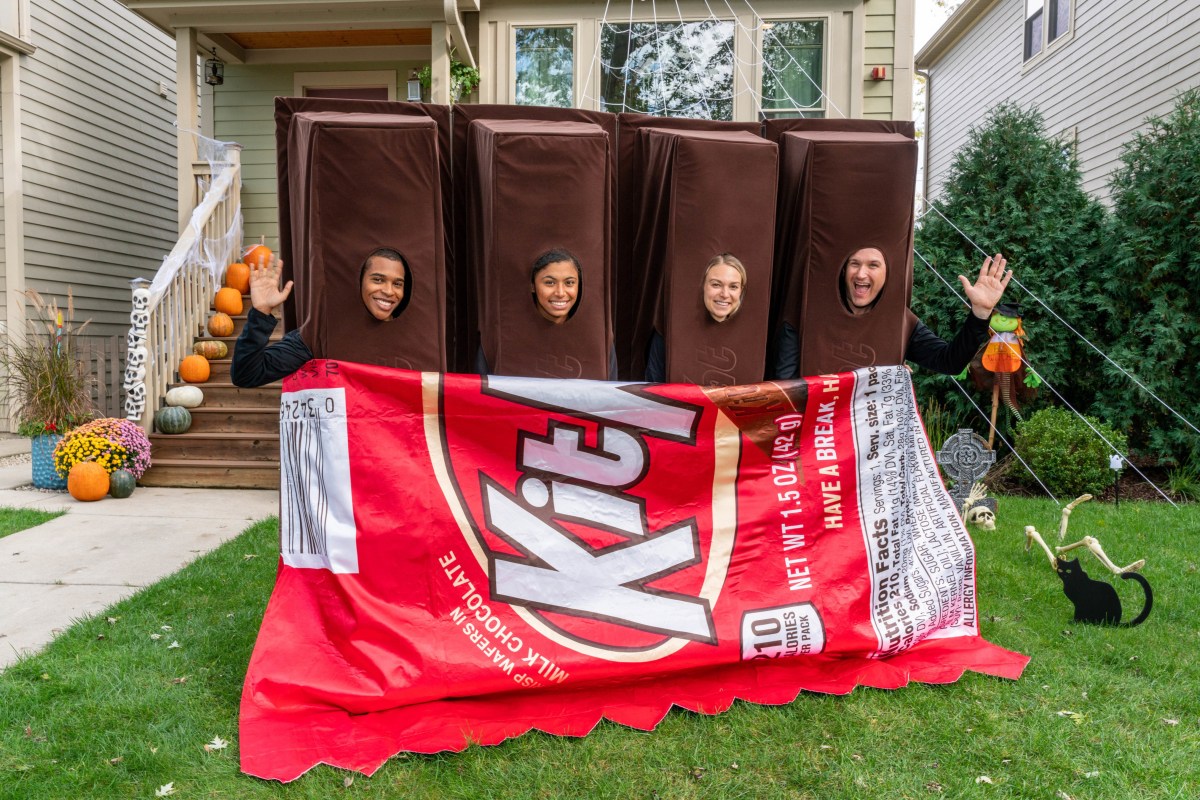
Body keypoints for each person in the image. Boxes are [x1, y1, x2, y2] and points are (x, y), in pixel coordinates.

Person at [773, 247, 1011, 379]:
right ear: (843, 270)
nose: (861, 274)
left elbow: (949, 362)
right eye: (854, 263)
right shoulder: (805, 319)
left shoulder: (900, 323)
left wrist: (980, 313)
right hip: (816, 440)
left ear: (887, 273)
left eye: (873, 265)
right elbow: (784, 388)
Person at [231, 246, 411, 387]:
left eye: (397, 284)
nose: (389, 291)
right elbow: (246, 374)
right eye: (378, 280)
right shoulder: (319, 335)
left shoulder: (415, 338)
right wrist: (261, 313)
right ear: (359, 282)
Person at [476, 248, 618, 379]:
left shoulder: (599, 341)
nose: (560, 293)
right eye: (549, 283)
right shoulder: (498, 339)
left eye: (569, 283)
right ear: (532, 286)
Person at [645, 253, 746, 383]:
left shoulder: (756, 338)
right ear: (703, 286)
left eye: (733, 286)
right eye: (716, 285)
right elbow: (653, 385)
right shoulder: (667, 333)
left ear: (741, 291)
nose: (725, 294)